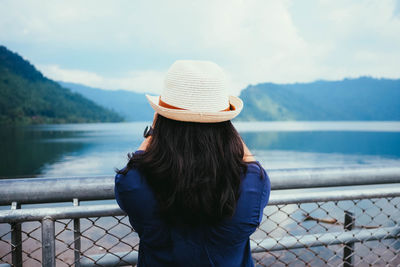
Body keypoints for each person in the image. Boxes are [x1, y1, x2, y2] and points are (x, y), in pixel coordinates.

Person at [115, 60, 271, 267]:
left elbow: (132, 167)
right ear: (226, 126)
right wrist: (225, 127)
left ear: (160, 120)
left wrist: (154, 131)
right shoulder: (252, 185)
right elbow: (252, 166)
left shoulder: (134, 183)